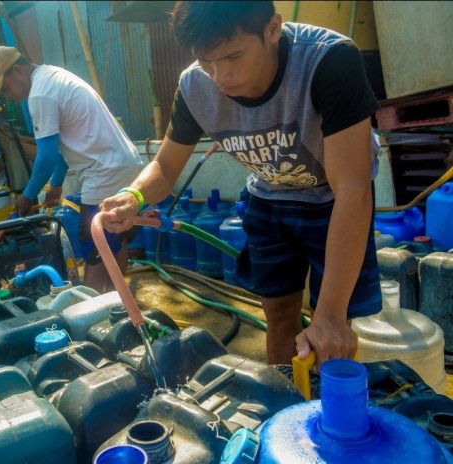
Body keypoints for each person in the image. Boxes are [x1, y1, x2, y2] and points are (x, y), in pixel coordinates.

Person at [100, 1, 382, 366]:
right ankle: (280, 399)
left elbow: (353, 189)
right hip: (268, 198)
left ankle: (335, 414)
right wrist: (133, 195)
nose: (220, 77)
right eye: (207, 61)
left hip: (333, 200)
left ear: (273, 29)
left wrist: (328, 313)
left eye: (233, 57)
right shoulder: (194, 86)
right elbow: (165, 168)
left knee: (333, 325)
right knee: (279, 313)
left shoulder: (329, 61)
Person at [0, 46, 143, 292]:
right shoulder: (53, 76)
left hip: (103, 173)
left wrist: (26, 197)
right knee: (115, 240)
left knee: (96, 249)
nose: (10, 97)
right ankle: (119, 305)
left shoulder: (40, 95)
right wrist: (56, 183)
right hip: (124, 164)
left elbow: (46, 156)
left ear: (17, 70)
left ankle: (95, 318)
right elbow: (62, 147)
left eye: (6, 89)